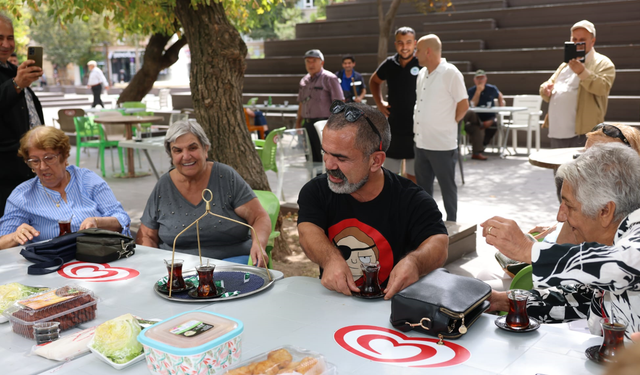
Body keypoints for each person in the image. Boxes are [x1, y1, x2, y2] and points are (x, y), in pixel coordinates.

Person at [482, 143, 640, 338]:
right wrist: (503, 301)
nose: (560, 216)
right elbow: (580, 298)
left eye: (569, 206)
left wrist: (527, 249)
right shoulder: (612, 243)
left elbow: (622, 264)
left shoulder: (628, 251)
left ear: (605, 211)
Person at [297, 100, 449, 300]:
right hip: (335, 303)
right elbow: (308, 231)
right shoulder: (316, 190)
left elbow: (439, 243)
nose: (329, 164)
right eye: (325, 152)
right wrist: (330, 259)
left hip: (392, 308)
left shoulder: (413, 199)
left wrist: (415, 262)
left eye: (341, 158)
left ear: (376, 160)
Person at [137, 120, 271, 267]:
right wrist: (154, 267)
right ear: (171, 155)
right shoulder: (164, 186)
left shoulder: (225, 177)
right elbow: (147, 235)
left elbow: (259, 217)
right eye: (178, 151)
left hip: (231, 263)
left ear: (205, 149)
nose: (186, 156)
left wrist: (258, 245)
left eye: (192, 148)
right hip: (180, 269)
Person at [0, 126, 131, 249]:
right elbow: (2, 242)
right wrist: (14, 236)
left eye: (49, 158)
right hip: (52, 265)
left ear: (65, 156)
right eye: (35, 161)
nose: (42, 167)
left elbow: (122, 219)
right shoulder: (22, 195)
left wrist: (97, 222)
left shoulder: (87, 180)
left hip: (98, 258)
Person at [413, 34, 468, 222]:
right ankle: (427, 222)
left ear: (428, 51)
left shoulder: (450, 73)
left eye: (418, 50)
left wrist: (449, 124)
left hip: (442, 145)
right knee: (423, 189)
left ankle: (451, 221)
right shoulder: (421, 74)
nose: (415, 54)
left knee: (447, 187)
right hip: (420, 142)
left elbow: (463, 104)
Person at [540, 20, 615, 148]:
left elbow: (602, 87)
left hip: (583, 134)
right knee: (558, 168)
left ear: (593, 41)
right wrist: (545, 89)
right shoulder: (565, 64)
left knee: (581, 168)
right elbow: (547, 84)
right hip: (557, 131)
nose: (577, 43)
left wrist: (582, 72)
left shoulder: (604, 63)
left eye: (582, 39)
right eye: (574, 39)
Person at [0, 13, 44, 217]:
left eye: (10, 38)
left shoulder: (11, 70)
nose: (6, 44)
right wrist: (16, 84)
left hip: (27, 169)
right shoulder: (13, 79)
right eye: (0, 38)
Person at [369, 27, 420, 182]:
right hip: (394, 126)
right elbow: (374, 81)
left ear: (415, 43)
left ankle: (410, 204)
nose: (404, 47)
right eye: (400, 42)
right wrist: (380, 103)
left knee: (412, 174)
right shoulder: (390, 64)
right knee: (389, 174)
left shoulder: (422, 63)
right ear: (395, 44)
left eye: (408, 42)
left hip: (416, 126)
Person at [295, 49, 344, 163]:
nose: (311, 64)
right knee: (310, 158)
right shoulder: (304, 80)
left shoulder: (329, 78)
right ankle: (313, 180)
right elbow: (302, 102)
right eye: (308, 61)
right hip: (307, 124)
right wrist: (298, 122)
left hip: (324, 124)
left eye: (314, 61)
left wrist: (336, 126)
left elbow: (339, 103)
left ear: (322, 62)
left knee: (324, 158)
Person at [463, 69, 504, 160]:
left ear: (486, 79)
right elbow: (472, 105)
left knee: (493, 123)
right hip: (476, 117)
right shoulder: (471, 90)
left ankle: (482, 146)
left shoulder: (492, 88)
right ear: (474, 80)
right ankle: (481, 125)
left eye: (482, 78)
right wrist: (478, 92)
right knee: (473, 120)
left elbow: (499, 95)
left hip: (489, 117)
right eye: (478, 78)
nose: (480, 80)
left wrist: (501, 103)